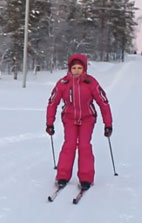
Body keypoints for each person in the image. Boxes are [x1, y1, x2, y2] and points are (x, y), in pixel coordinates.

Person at [46, 54, 113, 190]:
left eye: (79, 68)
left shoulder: (91, 83)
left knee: (84, 146)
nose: (76, 71)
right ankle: (62, 176)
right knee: (69, 145)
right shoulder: (63, 83)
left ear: (84, 69)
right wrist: (49, 123)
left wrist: (108, 124)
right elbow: (53, 102)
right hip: (69, 118)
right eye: (74, 68)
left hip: (87, 118)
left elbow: (103, 103)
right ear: (69, 69)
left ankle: (86, 177)